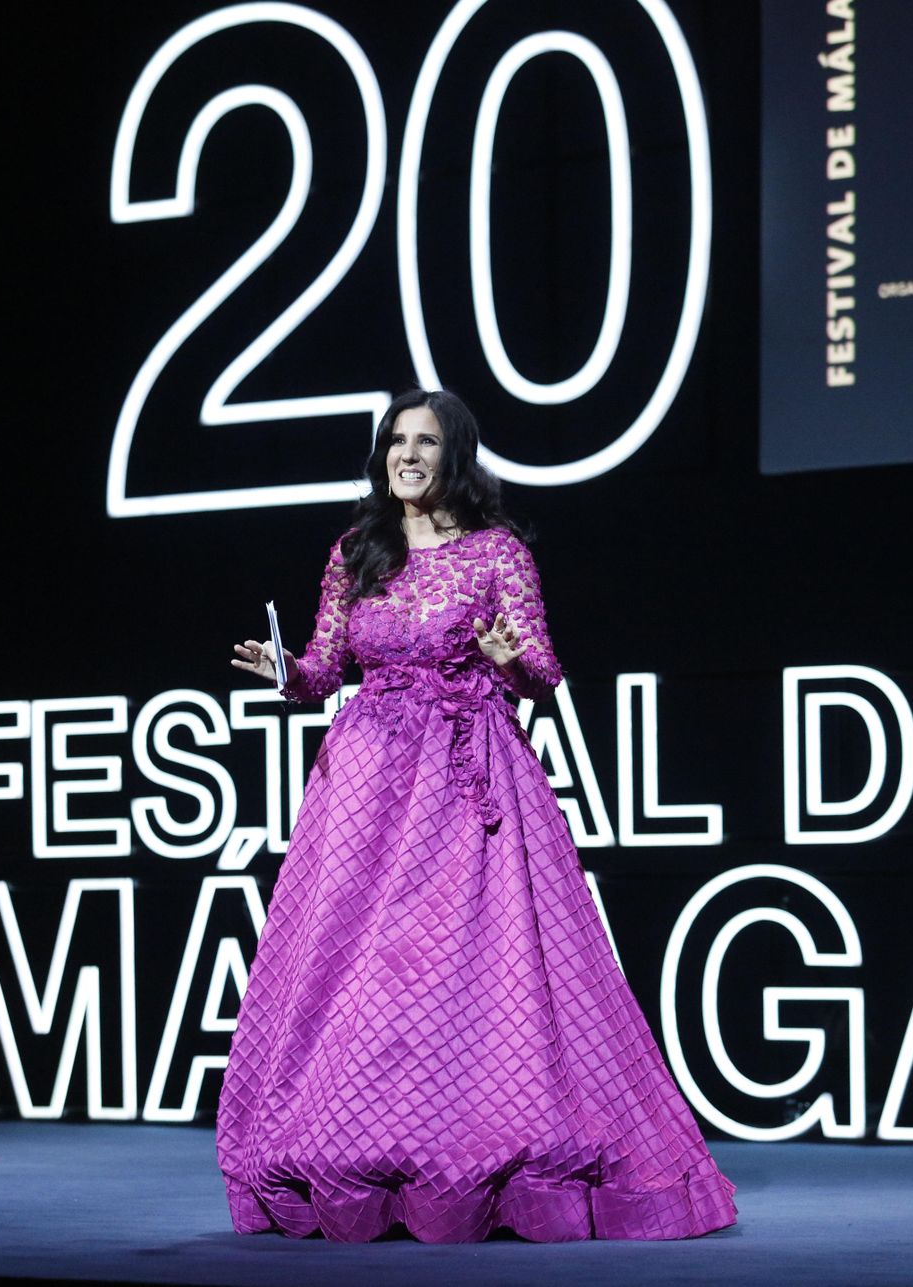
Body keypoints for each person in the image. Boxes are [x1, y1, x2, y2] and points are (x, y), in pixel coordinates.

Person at [217, 389, 737, 1244]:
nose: (406, 455)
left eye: (424, 441)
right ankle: (365, 1153)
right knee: (363, 968)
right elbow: (322, 669)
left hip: (468, 780)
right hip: (366, 784)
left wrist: (511, 660)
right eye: (395, 441)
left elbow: (543, 671)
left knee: (465, 969)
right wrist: (285, 671)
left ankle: (477, 1157)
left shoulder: (497, 554)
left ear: (455, 454)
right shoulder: (356, 551)